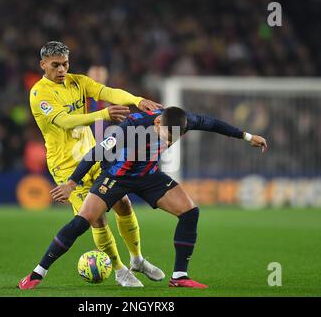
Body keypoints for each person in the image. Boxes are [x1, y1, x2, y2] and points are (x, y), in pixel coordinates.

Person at [19, 106, 268, 289]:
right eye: (166, 137)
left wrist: (248, 137)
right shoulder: (132, 126)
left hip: (148, 176)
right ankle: (37, 273)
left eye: (173, 139)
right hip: (116, 176)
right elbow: (96, 151)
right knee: (83, 221)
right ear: (157, 122)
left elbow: (213, 123)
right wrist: (73, 182)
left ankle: (179, 276)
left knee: (190, 211)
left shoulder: (184, 121)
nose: (168, 142)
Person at [18, 41, 164, 289]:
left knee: (123, 202)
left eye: (65, 63)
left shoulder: (78, 81)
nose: (62, 69)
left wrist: (137, 100)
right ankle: (119, 270)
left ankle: (137, 260)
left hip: (94, 156)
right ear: (43, 65)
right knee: (96, 218)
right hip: (66, 165)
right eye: (56, 65)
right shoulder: (39, 94)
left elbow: (108, 92)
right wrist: (103, 115)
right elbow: (65, 121)